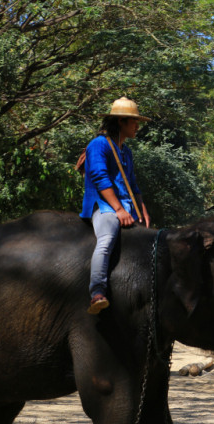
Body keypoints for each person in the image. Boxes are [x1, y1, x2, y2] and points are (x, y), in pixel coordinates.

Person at [80, 97, 151, 314]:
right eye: (133, 122)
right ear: (120, 121)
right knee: (107, 237)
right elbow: (100, 178)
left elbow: (133, 185)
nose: (137, 126)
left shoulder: (126, 151)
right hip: (103, 206)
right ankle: (97, 292)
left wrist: (143, 211)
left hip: (128, 207)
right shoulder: (98, 145)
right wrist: (118, 210)